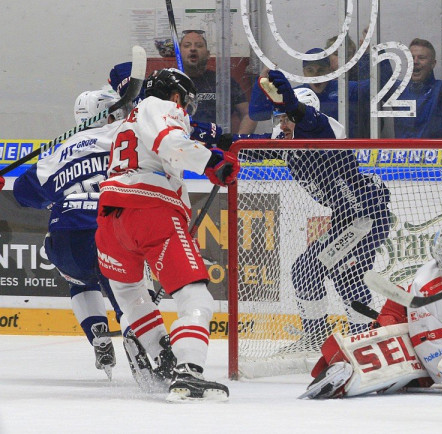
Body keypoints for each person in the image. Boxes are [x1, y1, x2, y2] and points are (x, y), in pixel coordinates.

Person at [95, 68, 238, 402]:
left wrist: (207, 142)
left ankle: (162, 358)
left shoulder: (124, 124)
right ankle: (189, 372)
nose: (185, 111)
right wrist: (210, 162)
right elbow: (170, 141)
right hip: (150, 211)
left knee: (131, 293)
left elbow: (169, 140)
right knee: (196, 297)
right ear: (176, 97)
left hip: (109, 220)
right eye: (185, 104)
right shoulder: (160, 106)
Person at [242, 70, 392, 350]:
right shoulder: (286, 138)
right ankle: (320, 337)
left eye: (287, 118)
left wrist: (292, 108)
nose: (283, 124)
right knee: (310, 271)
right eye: (281, 119)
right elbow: (248, 148)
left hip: (367, 217)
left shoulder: (325, 129)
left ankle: (359, 339)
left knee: (333, 272)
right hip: (346, 220)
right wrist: (211, 139)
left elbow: (306, 119)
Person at [299, 222, 442, 399]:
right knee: (392, 365)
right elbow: (436, 354)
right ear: (441, 262)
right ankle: (341, 373)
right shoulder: (426, 285)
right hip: (406, 313)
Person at [12, 88, 129, 380]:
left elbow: (23, 193)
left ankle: (97, 333)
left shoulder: (58, 151)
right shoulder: (121, 135)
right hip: (103, 233)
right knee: (130, 294)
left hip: (61, 240)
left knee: (79, 279)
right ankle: (139, 342)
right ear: (110, 113)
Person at [248, 45, 391, 138]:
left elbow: (382, 83)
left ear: (329, 70)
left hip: (341, 155)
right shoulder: (294, 96)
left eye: (321, 70)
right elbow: (257, 114)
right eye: (310, 70)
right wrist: (261, 82)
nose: (316, 75)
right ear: (303, 72)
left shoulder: (347, 89)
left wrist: (374, 50)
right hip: (308, 157)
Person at [392, 23, 442, 139]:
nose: (415, 61)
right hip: (404, 157)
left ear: (433, 64)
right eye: (411, 57)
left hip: (438, 157)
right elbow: (376, 83)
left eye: (422, 58)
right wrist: (371, 46)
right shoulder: (397, 90)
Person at [179, 29, 253, 134]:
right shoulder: (171, 82)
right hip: (180, 145)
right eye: (187, 45)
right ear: (178, 52)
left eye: (199, 45)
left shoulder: (224, 82)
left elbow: (248, 114)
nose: (193, 49)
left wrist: (237, 142)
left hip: (217, 147)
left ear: (208, 54)